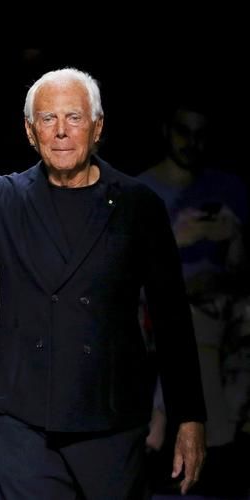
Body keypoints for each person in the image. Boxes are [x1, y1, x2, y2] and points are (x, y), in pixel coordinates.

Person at [0, 68, 206, 499]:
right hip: (24, 421)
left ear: (97, 127)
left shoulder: (137, 205)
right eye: (47, 119)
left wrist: (189, 417)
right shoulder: (6, 198)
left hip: (110, 419)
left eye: (74, 118)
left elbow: (171, 317)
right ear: (30, 131)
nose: (60, 131)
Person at [138, 101, 249, 495]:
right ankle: (211, 451)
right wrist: (176, 238)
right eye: (184, 131)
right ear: (166, 130)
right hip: (161, 304)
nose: (192, 143)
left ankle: (199, 439)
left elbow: (240, 270)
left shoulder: (227, 188)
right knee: (190, 324)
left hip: (226, 301)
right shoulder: (142, 189)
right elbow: (125, 271)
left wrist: (232, 239)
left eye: (201, 134)